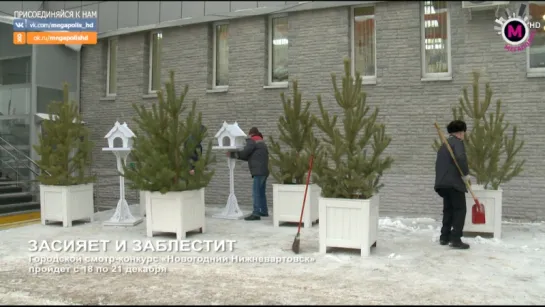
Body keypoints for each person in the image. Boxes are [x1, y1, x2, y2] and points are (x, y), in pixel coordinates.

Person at [434, 120, 471, 249]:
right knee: (460, 210)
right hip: (454, 183)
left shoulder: (444, 144)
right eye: (464, 132)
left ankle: (444, 237)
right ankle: (455, 238)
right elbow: (460, 158)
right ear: (461, 133)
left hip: (442, 184)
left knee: (448, 209)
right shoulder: (457, 143)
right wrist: (465, 175)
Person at [230, 127, 269, 221]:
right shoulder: (261, 142)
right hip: (264, 171)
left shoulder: (252, 140)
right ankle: (263, 211)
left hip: (258, 171)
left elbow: (244, 153)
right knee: (261, 192)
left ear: (251, 134)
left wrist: (233, 154)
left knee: (256, 192)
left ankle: (256, 213)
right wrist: (237, 156)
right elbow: (250, 156)